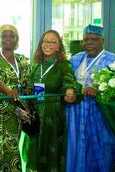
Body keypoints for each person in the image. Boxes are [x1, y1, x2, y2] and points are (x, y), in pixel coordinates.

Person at [23, 30, 80, 172]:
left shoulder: (63, 65)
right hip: (35, 117)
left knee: (51, 153)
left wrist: (70, 91)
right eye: (45, 41)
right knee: (34, 150)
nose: (48, 44)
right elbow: (30, 86)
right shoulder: (36, 64)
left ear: (59, 45)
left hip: (52, 118)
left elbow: (69, 83)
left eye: (52, 42)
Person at [66, 24, 115, 172]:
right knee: (77, 148)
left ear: (103, 40)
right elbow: (68, 81)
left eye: (94, 39)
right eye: (86, 39)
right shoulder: (75, 59)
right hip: (75, 113)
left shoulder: (113, 61)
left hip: (100, 116)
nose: (89, 43)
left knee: (101, 151)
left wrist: (98, 91)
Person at [0, 24, 32, 171]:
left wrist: (27, 106)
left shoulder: (23, 60)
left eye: (12, 35)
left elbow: (28, 84)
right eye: (4, 35)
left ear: (17, 40)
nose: (8, 38)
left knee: (12, 147)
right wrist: (9, 91)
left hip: (17, 113)